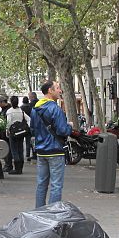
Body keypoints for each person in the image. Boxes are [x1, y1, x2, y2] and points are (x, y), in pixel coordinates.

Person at [30, 80, 73, 208]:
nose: (60, 91)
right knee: (56, 185)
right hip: (55, 150)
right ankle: (52, 214)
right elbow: (62, 130)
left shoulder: (35, 109)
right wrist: (69, 127)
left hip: (41, 151)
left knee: (41, 183)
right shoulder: (55, 108)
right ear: (50, 90)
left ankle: (39, 212)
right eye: (58, 88)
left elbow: (32, 128)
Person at [5, 96, 30, 175]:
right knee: (20, 149)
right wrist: (27, 127)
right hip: (21, 132)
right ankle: (20, 168)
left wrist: (7, 130)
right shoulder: (21, 111)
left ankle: (17, 168)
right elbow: (29, 119)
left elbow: (8, 122)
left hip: (13, 132)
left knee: (14, 150)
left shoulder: (10, 111)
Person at [21, 95, 34, 161]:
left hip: (22, 126)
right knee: (28, 141)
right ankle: (28, 154)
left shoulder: (21, 108)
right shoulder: (31, 108)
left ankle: (22, 154)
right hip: (29, 126)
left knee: (21, 140)